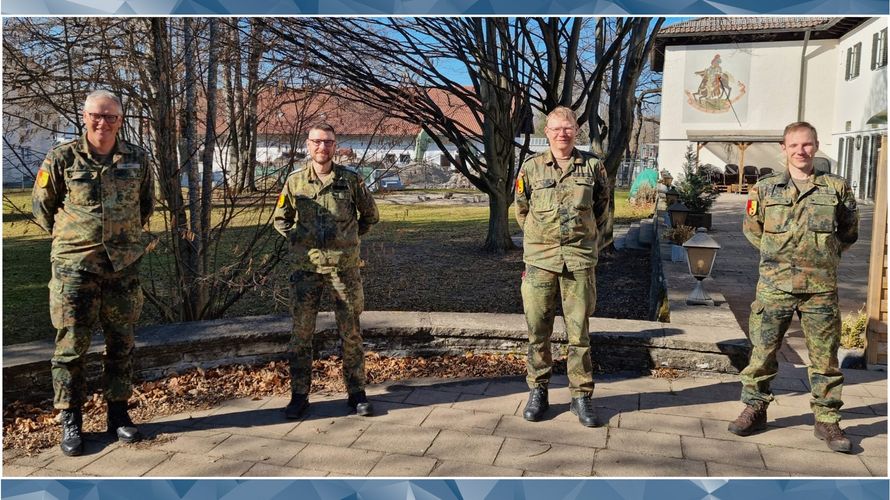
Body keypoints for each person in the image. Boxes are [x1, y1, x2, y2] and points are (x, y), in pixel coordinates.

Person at [32, 89, 154, 456]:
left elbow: (145, 205)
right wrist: (76, 237)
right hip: (75, 269)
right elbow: (42, 208)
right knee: (71, 348)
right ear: (84, 117)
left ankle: (118, 414)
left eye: (111, 117)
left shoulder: (137, 158)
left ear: (121, 120)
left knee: (122, 344)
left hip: (122, 269)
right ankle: (71, 421)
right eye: (96, 116)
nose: (103, 122)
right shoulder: (62, 158)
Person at [730, 121, 859, 453]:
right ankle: (755, 408)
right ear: (783, 148)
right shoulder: (765, 189)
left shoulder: (836, 188)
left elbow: (848, 232)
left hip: (820, 287)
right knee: (762, 352)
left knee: (825, 358)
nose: (801, 151)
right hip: (775, 285)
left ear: (815, 146)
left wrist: (824, 257)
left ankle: (827, 420)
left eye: (807, 145)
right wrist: (778, 257)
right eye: (794, 146)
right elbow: (752, 229)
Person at [273, 122, 379, 418]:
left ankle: (356, 393)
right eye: (317, 142)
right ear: (308, 145)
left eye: (328, 142)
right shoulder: (295, 182)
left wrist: (349, 240)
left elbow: (370, 215)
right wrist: (300, 242)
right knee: (301, 334)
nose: (323, 147)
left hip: (344, 270)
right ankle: (299, 396)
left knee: (351, 333)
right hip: (306, 271)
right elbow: (281, 219)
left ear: (336, 145)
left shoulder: (351, 180)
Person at [514, 106, 609, 427]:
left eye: (567, 128)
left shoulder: (593, 166)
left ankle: (580, 396)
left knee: (579, 334)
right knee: (537, 331)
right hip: (540, 261)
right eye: (556, 128)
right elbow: (522, 210)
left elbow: (602, 210)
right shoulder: (531, 168)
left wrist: (587, 244)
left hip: (579, 261)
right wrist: (540, 240)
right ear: (547, 132)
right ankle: (538, 391)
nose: (562, 133)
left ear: (576, 131)